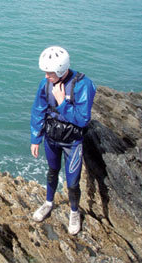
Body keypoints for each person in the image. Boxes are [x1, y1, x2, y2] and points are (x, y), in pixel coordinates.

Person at [30, 46, 96, 235]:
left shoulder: (84, 85)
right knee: (52, 171)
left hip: (72, 142)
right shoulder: (46, 83)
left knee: (72, 182)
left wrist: (62, 101)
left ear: (60, 70)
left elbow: (82, 119)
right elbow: (38, 109)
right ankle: (48, 202)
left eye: (49, 73)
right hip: (51, 137)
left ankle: (74, 212)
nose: (46, 76)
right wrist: (36, 138)